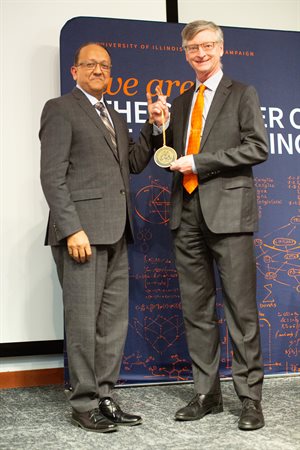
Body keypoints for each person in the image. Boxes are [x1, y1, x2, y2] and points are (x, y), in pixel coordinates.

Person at [148, 20, 268, 431]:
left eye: (207, 45)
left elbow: (257, 147)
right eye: (192, 47)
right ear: (185, 53)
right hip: (187, 215)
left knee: (240, 310)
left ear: (221, 48)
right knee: (196, 310)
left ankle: (250, 398)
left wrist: (201, 162)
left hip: (229, 216)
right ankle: (207, 393)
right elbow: (162, 151)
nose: (200, 53)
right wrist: (156, 124)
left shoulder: (242, 94)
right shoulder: (180, 103)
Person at [40, 42, 165, 433]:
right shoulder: (60, 109)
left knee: (112, 323)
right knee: (82, 323)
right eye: (90, 65)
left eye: (105, 66)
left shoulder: (113, 114)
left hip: (116, 231)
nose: (98, 70)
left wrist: (153, 126)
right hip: (81, 234)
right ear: (74, 71)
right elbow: (51, 176)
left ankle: (105, 396)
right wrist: (72, 227)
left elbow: (131, 164)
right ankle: (82, 403)